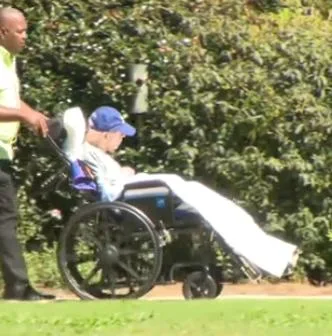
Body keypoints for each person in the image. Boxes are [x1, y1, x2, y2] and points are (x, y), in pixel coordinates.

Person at [62, 106, 300, 279]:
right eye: (120, 135)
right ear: (107, 133)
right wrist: (124, 174)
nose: (121, 140)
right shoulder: (91, 155)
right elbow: (109, 194)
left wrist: (123, 172)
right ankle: (272, 256)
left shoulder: (95, 154)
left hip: (142, 191)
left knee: (224, 210)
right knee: (219, 211)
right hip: (136, 197)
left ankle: (274, 254)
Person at [0, 7, 55, 300]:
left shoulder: (8, 61)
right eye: (19, 31)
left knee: (5, 219)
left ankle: (16, 286)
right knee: (5, 219)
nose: (25, 36)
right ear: (2, 32)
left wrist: (35, 116)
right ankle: (18, 287)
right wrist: (24, 119)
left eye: (25, 30)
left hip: (3, 154)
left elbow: (12, 101)